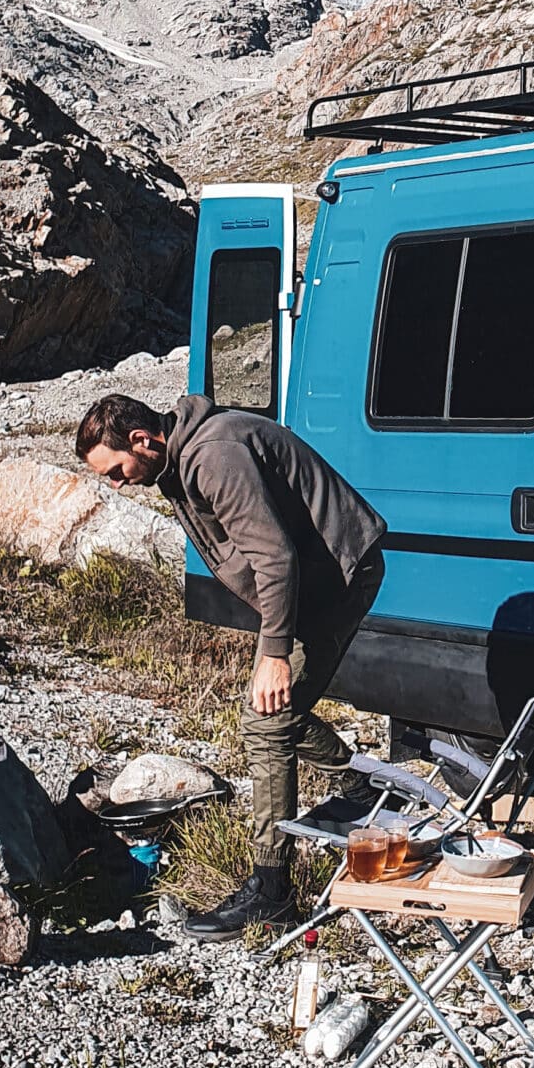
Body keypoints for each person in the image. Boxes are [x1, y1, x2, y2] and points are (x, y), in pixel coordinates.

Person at [76, 390, 386, 939]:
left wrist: (274, 654)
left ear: (143, 440)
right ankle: (367, 790)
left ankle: (272, 889)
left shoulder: (213, 455)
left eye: (118, 470)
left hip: (336, 578)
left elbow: (274, 555)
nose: (119, 483)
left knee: (266, 720)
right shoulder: (182, 457)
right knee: (268, 712)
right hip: (314, 583)